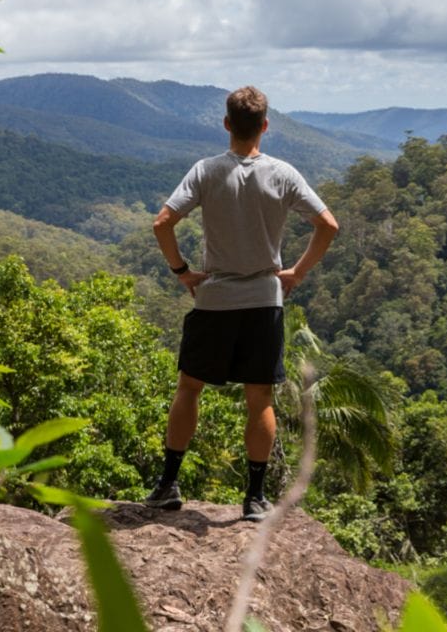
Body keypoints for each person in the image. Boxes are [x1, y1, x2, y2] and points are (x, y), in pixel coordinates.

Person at [145, 85, 339, 522]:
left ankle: (168, 484)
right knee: (260, 399)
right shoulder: (284, 174)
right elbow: (328, 225)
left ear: (227, 124)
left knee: (189, 389)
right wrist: (297, 272)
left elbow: (163, 223)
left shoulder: (206, 171)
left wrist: (182, 272)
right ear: (265, 126)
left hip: (214, 299)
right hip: (264, 302)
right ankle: (254, 499)